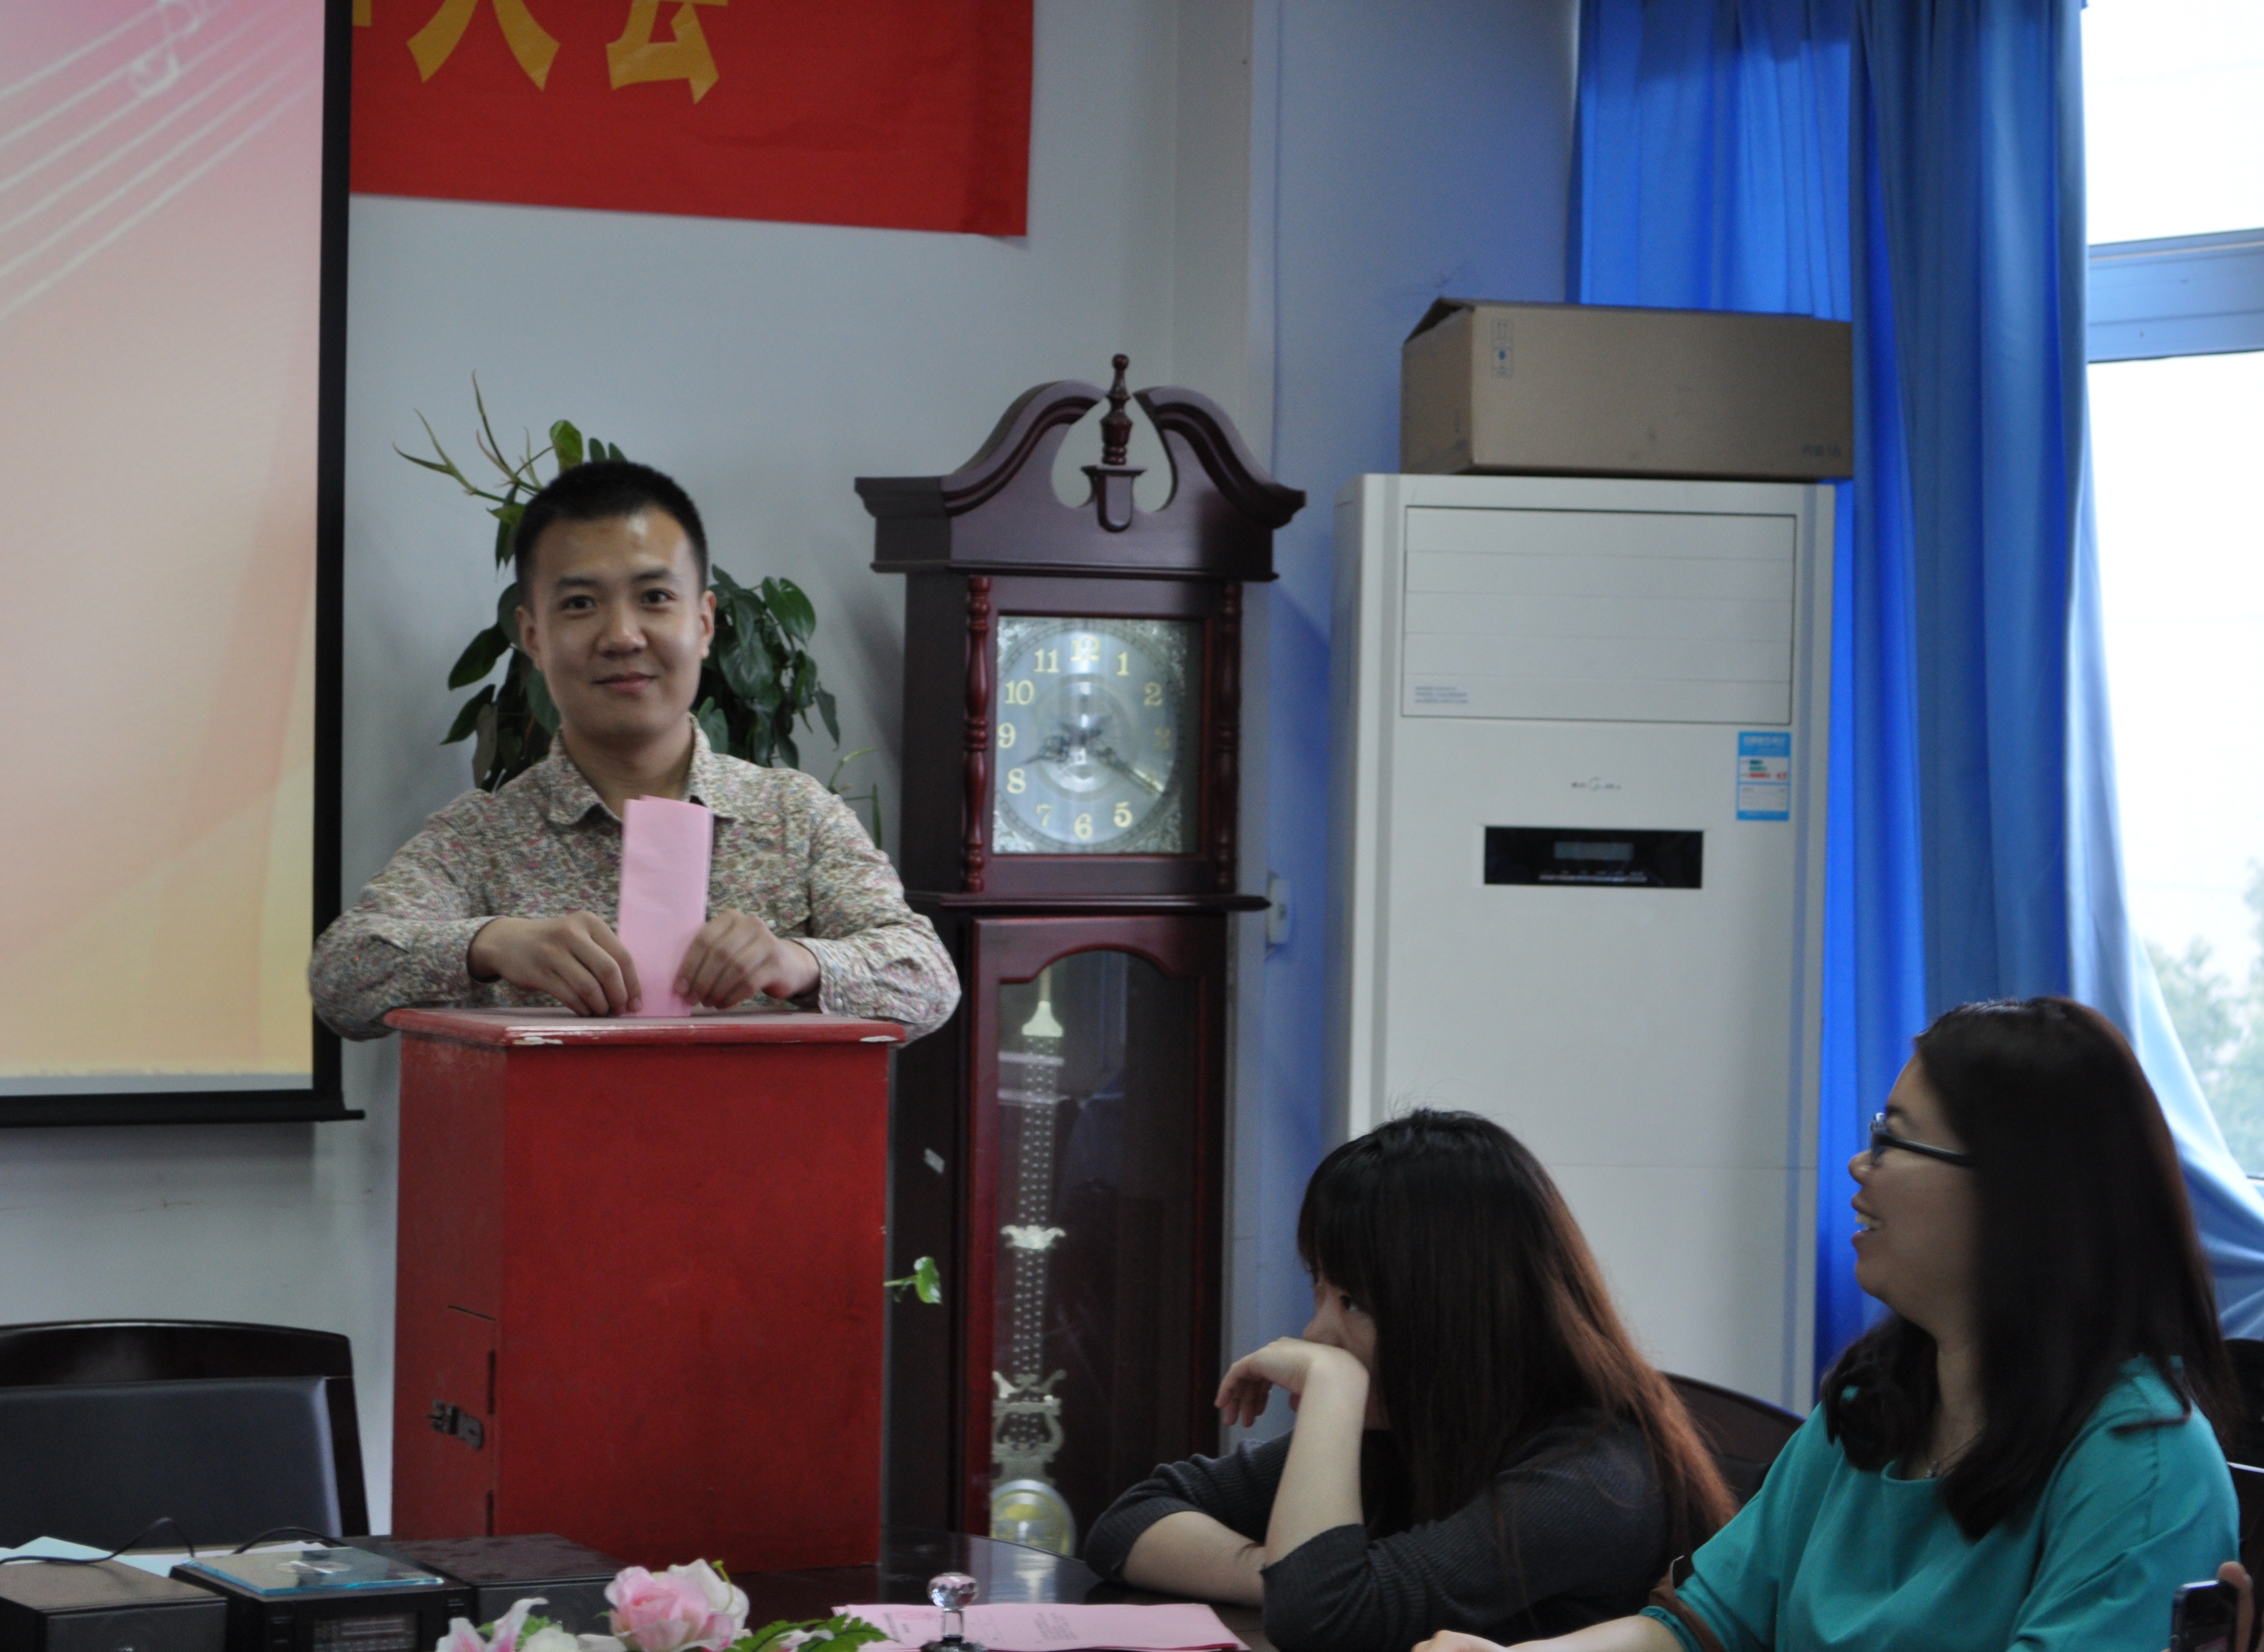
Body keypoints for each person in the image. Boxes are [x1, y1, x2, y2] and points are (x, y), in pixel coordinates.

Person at [1419, 997, 2245, 1652]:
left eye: (1891, 1141)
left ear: (2014, 1193)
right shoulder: (1876, 1404)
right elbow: (1702, 1625)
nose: (1859, 1166)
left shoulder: (2142, 1467)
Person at [310, 459, 959, 1040]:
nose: (622, 636)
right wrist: (489, 944)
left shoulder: (797, 817)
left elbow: (929, 980)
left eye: (655, 598)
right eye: (580, 603)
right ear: (533, 638)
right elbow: (340, 976)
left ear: (703, 623)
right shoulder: (478, 839)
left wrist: (802, 960)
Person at [1082, 1110, 1737, 1652]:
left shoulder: (1591, 1481)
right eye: (1319, 1289)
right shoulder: (1416, 1426)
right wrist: (1280, 1572)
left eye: (1353, 1303)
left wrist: (1332, 1391)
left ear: (1457, 1314)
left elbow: (1319, 1621)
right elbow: (1130, 1521)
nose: (1314, 1334)